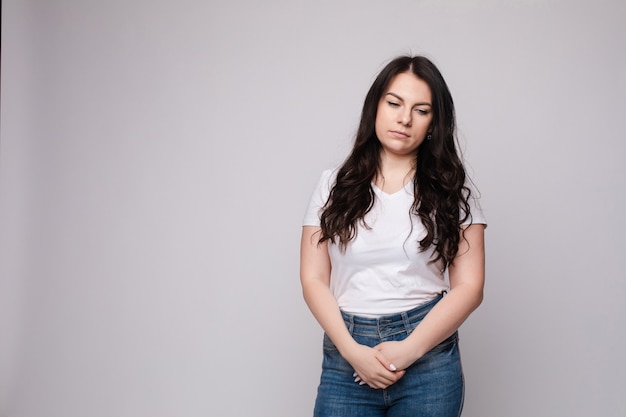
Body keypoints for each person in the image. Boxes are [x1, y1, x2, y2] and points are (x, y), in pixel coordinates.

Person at [300, 55, 487, 417]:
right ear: (375, 107)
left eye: (421, 110)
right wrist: (353, 352)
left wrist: (410, 349)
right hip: (347, 354)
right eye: (394, 103)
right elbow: (312, 278)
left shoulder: (453, 189)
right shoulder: (332, 184)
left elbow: (470, 287)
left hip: (427, 357)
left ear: (434, 122)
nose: (404, 118)